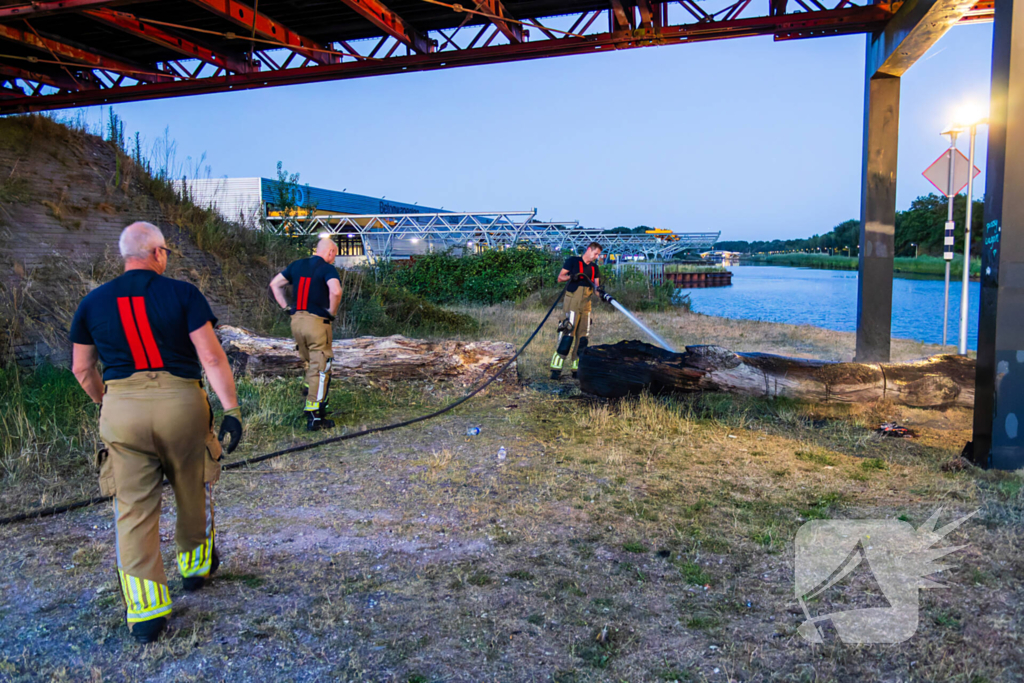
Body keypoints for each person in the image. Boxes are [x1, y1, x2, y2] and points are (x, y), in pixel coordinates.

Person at [70, 222, 243, 644]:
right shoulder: (183, 294)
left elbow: (81, 369)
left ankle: (147, 613)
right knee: (192, 486)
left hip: (122, 408)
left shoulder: (92, 303)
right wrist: (231, 410)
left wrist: (106, 402)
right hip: (181, 404)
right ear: (159, 254)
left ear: (125, 256)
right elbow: (213, 360)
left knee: (132, 508)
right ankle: (196, 569)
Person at [268, 237, 343, 431]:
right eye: (334, 254)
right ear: (330, 252)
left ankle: (310, 393)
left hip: (296, 322)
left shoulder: (296, 265)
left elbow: (275, 284)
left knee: (310, 362)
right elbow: (335, 291)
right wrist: (331, 313)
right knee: (321, 366)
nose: (334, 258)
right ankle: (315, 415)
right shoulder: (327, 268)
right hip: (317, 322)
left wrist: (286, 307)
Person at [551, 241, 609, 379]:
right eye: (596, 254)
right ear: (589, 250)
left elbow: (596, 287)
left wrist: (601, 293)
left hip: (586, 303)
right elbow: (560, 278)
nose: (597, 257)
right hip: (572, 301)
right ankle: (556, 369)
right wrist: (572, 277)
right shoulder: (573, 261)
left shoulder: (594, 268)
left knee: (583, 337)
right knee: (568, 334)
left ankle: (577, 369)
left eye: (598, 255)